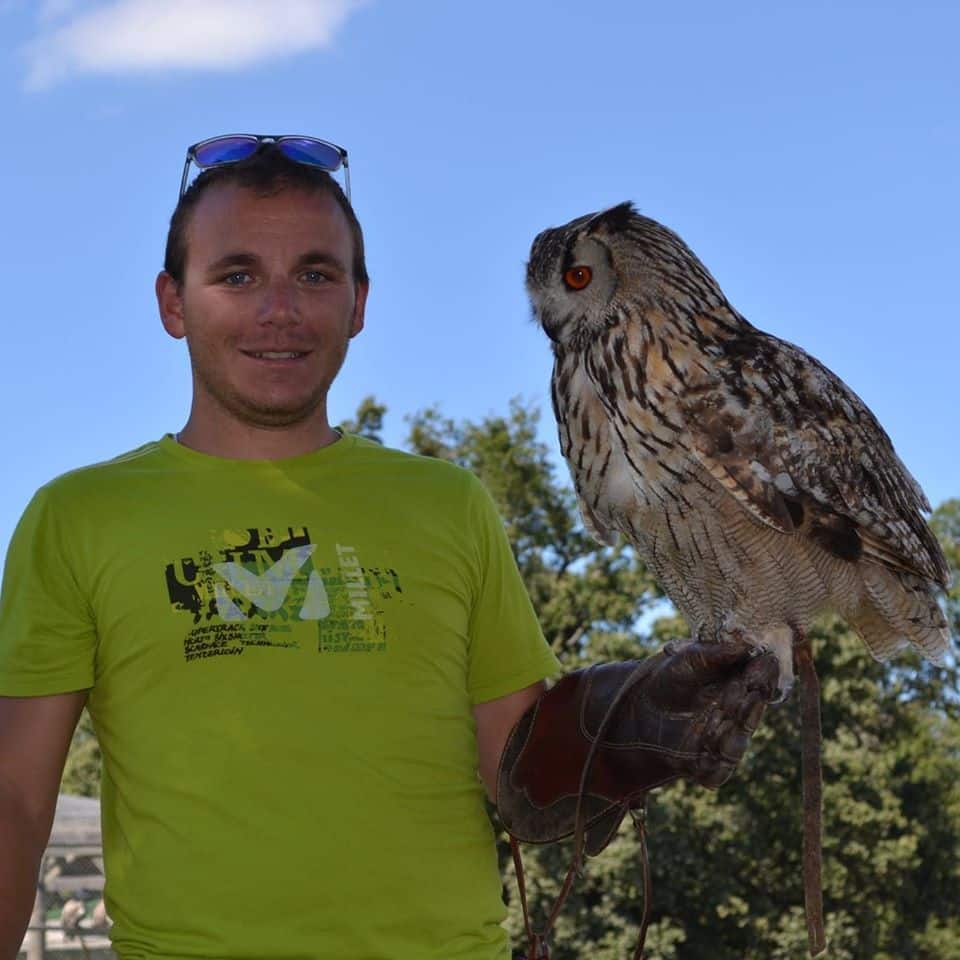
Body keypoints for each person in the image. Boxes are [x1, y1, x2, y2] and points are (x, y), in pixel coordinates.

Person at [0, 136, 776, 960]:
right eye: (236, 276)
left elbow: (525, 777)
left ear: (359, 303)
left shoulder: (448, 505)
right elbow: (13, 799)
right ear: (173, 302)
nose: (279, 310)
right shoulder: (79, 517)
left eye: (315, 274)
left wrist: (623, 733)